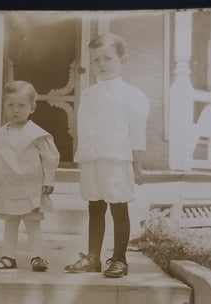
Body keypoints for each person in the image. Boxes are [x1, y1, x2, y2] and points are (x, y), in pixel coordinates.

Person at [64, 33, 149, 278]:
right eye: (95, 60)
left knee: (118, 207)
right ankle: (93, 257)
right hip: (92, 157)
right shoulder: (89, 94)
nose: (101, 65)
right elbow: (84, 128)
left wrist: (137, 162)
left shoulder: (132, 94)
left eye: (107, 58)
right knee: (95, 206)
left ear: (123, 59)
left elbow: (137, 131)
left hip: (117, 158)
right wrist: (84, 156)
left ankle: (120, 259)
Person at [0, 80, 60, 272]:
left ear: (32, 108)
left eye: (21, 105)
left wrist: (49, 180)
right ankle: (8, 257)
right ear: (4, 107)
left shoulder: (37, 135)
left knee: (33, 223)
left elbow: (50, 157)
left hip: (30, 186)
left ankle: (37, 257)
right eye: (10, 105)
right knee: (11, 222)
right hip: (7, 186)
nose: (15, 110)